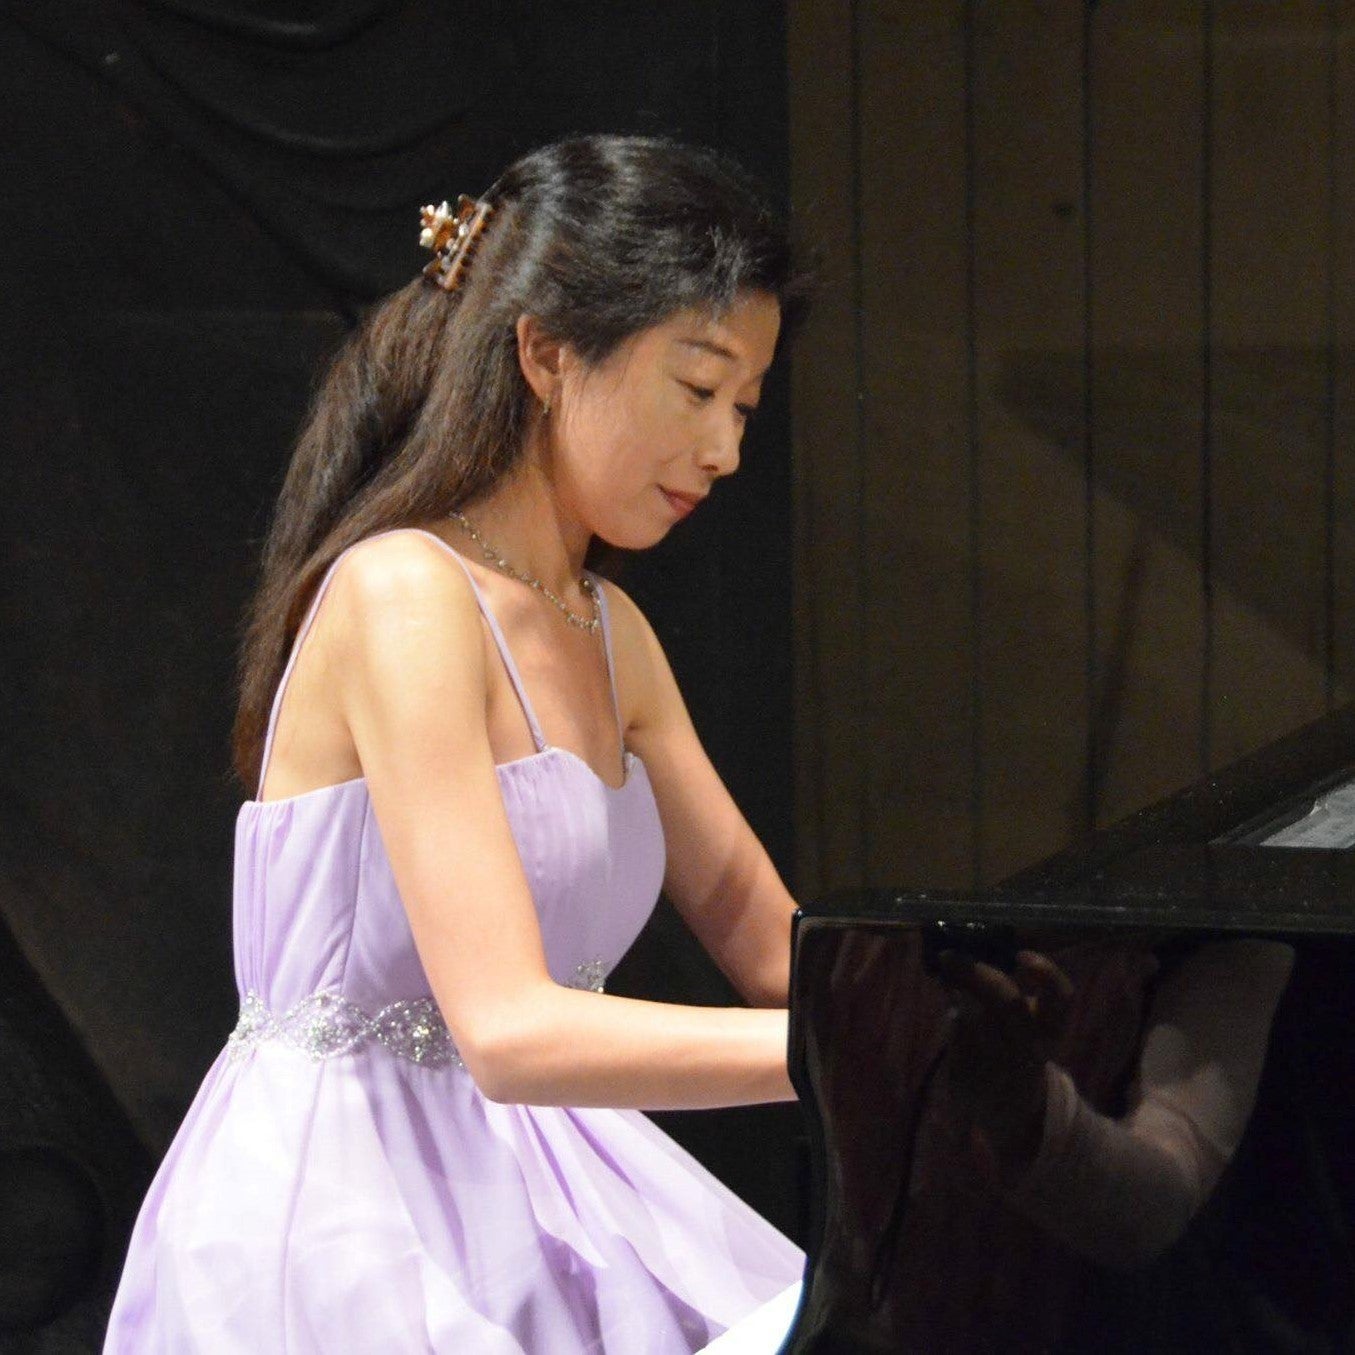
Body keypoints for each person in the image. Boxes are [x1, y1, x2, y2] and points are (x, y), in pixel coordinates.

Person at [103, 134, 815, 1353]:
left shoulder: (613, 630)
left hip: (535, 1172)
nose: (725, 450)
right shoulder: (404, 592)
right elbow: (506, 1027)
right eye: (697, 389)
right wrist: (846, 1048)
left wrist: (971, 1013)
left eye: (744, 406)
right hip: (346, 1208)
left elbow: (774, 944)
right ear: (546, 353)